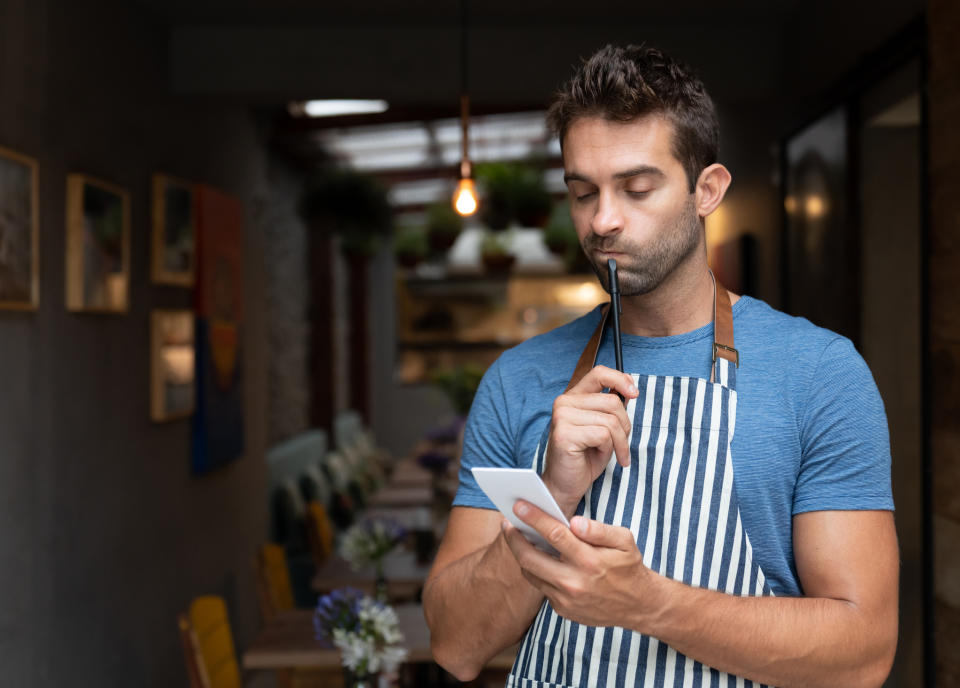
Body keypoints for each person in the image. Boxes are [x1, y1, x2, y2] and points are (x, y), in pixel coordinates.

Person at [422, 44, 898, 688]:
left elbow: (863, 655)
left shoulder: (818, 375)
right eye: (583, 192)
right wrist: (550, 502)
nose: (603, 220)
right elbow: (455, 644)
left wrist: (648, 603)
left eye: (637, 188)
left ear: (708, 190)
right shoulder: (518, 380)